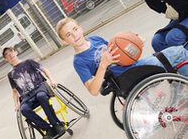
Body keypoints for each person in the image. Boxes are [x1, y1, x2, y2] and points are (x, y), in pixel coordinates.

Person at [55, 17, 188, 96]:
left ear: (80, 28)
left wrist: (135, 44)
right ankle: (181, 88)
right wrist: (103, 65)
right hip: (127, 76)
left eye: (75, 29)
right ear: (65, 42)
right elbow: (93, 90)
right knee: (178, 52)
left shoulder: (95, 39)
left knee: (174, 56)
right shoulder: (79, 61)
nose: (74, 35)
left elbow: (121, 52)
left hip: (135, 66)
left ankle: (180, 90)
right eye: (68, 35)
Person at [3, 47, 65, 139]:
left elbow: (44, 70)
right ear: (6, 59)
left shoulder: (29, 62)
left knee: (41, 97)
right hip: (27, 97)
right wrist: (16, 104)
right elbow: (14, 91)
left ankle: (56, 124)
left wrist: (51, 80)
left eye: (10, 52)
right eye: (6, 55)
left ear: (15, 52)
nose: (10, 55)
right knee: (24, 109)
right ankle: (48, 129)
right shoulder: (10, 74)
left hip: (39, 88)